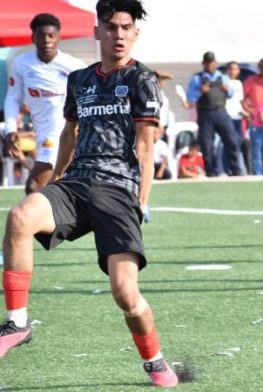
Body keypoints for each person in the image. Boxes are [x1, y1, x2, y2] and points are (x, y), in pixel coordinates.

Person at [0, 0, 178, 387]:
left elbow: (146, 147)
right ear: (97, 32)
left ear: (135, 33)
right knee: (19, 217)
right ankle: (16, 323)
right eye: (111, 27)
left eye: (126, 28)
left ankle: (155, 360)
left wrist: (141, 199)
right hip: (77, 182)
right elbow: (69, 132)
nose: (118, 34)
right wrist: (56, 181)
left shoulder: (141, 80)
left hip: (118, 190)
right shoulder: (79, 79)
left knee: (125, 295)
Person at [3, 13, 86, 194]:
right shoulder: (21, 63)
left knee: (34, 188)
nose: (47, 40)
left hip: (62, 134)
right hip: (41, 134)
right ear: (33, 37)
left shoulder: (74, 66)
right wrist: (11, 129)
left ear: (59, 37)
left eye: (51, 35)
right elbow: (12, 98)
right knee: (56, 191)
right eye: (41, 35)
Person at [186, 51, 243, 177]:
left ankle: (236, 171)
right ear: (203, 63)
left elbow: (231, 94)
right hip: (205, 113)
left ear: (215, 63)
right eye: (207, 62)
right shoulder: (197, 78)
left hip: (221, 112)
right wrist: (200, 91)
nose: (210, 64)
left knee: (232, 140)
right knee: (207, 145)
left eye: (212, 62)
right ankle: (212, 172)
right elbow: (190, 98)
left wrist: (227, 90)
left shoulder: (222, 77)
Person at [225, 61, 251, 174]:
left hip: (238, 117)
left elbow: (239, 101)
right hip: (227, 117)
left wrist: (246, 112)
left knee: (239, 142)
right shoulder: (224, 81)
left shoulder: (239, 83)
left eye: (235, 68)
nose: (233, 71)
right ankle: (228, 169)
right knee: (229, 143)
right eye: (231, 68)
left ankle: (238, 168)